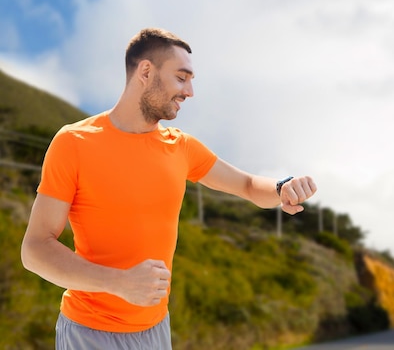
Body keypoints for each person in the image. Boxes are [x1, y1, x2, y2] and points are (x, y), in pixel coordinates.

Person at [20, 27, 317, 350]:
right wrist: (118, 283)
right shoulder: (73, 143)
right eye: (181, 77)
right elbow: (35, 249)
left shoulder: (181, 147)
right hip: (90, 333)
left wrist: (282, 188)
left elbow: (247, 185)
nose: (189, 91)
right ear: (146, 71)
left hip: (156, 330)